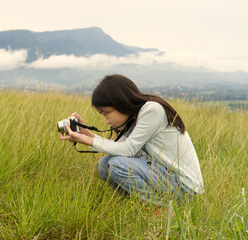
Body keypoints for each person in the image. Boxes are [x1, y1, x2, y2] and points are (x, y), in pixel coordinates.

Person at [60, 74, 204, 206]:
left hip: (184, 187)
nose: (107, 121)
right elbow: (119, 148)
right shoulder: (133, 118)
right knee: (104, 165)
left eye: (107, 113)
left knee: (117, 164)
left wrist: (86, 140)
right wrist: (86, 134)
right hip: (167, 178)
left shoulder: (151, 109)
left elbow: (128, 150)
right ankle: (143, 205)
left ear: (120, 102)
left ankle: (160, 208)